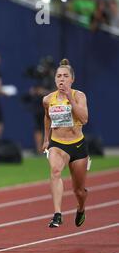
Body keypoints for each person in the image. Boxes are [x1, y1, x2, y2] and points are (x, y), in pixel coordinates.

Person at [42, 59, 89, 228]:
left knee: (79, 191)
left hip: (77, 145)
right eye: (59, 76)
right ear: (55, 79)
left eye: (65, 76)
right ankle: (57, 214)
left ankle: (81, 207)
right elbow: (47, 117)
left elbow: (84, 119)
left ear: (72, 79)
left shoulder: (79, 96)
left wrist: (70, 97)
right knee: (55, 171)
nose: (61, 79)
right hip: (57, 144)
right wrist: (46, 139)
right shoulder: (48, 99)